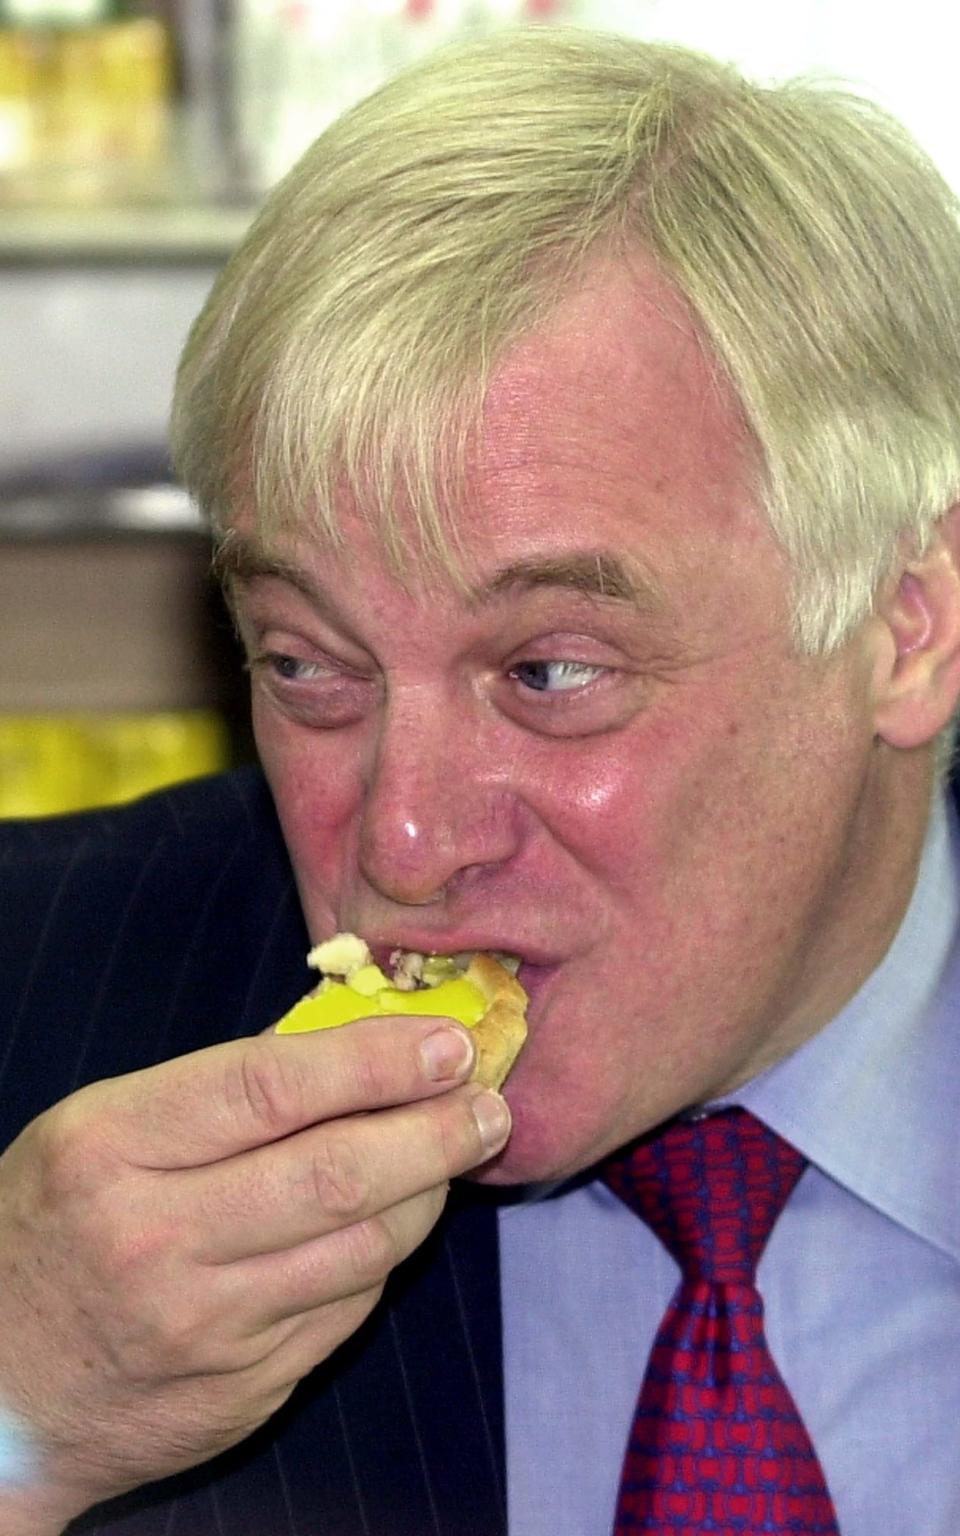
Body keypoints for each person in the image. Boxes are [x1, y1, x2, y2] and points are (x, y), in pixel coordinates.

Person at [1, 24, 959, 1536]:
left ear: (906, 626)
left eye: (549, 672)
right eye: (310, 665)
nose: (403, 838)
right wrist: (17, 1422)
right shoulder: (35, 1011)